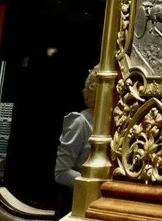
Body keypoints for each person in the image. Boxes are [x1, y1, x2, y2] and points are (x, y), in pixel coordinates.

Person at [54, 67, 97, 218]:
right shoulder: (80, 122)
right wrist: (94, 185)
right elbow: (61, 172)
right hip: (76, 204)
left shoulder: (111, 125)